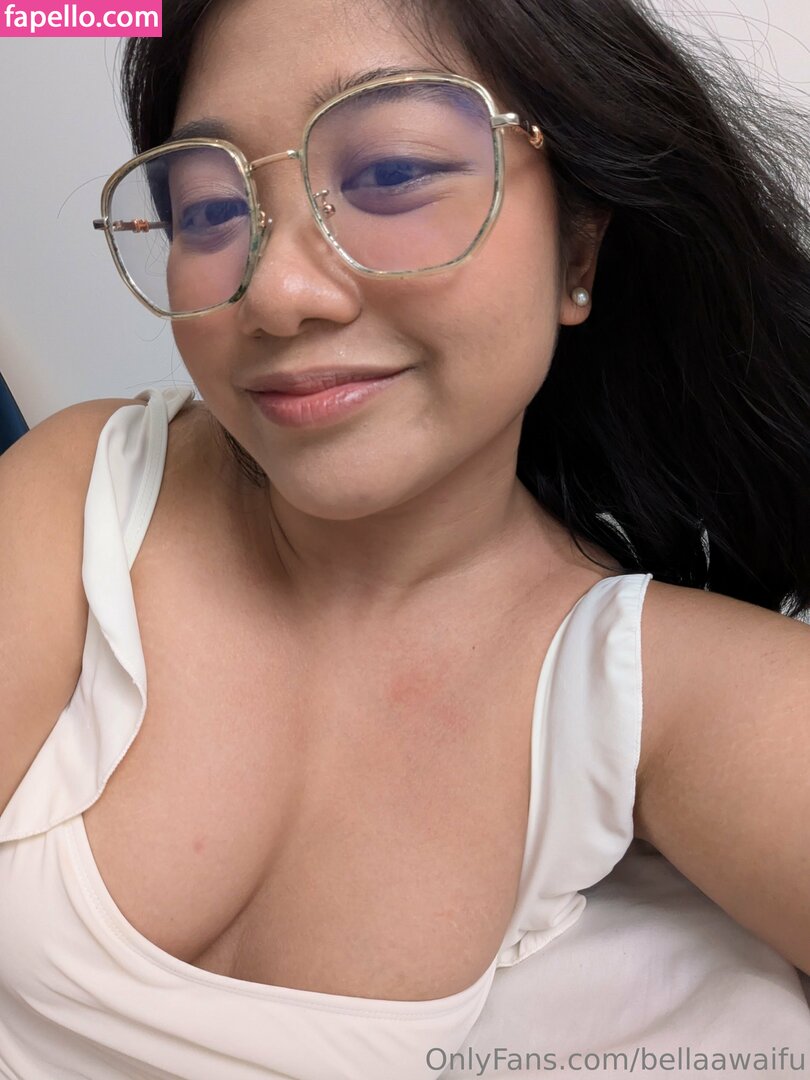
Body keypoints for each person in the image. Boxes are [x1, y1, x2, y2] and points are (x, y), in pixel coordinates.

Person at [1, 0, 809, 1076]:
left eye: (391, 174)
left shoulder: (677, 688)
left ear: (577, 245)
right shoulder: (87, 484)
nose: (276, 293)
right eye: (209, 209)